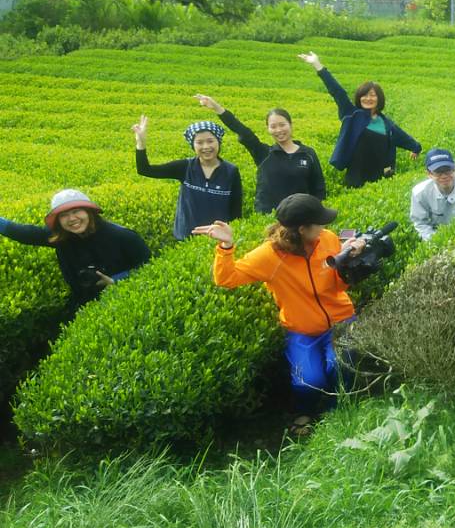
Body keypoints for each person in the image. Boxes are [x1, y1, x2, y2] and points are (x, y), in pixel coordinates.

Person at [194, 194, 369, 431]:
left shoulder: (327, 239)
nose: (324, 227)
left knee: (339, 366)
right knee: (309, 381)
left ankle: (337, 411)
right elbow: (226, 278)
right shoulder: (270, 256)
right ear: (302, 229)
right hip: (302, 330)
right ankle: (304, 410)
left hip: (341, 321)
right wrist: (226, 246)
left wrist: (351, 256)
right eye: (318, 223)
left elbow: (338, 283)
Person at [0, 189, 151, 311]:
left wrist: (117, 280)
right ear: (58, 221)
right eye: (64, 215)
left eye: (76, 211)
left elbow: (150, 268)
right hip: (82, 302)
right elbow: (20, 232)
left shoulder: (122, 236)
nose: (71, 219)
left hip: (123, 302)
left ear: (89, 212)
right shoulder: (61, 237)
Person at [300, 51, 421, 188]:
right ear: (359, 97)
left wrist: (416, 148)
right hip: (356, 177)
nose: (367, 98)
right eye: (364, 95)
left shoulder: (386, 123)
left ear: (379, 99)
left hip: (382, 178)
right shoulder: (352, 114)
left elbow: (403, 137)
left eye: (372, 95)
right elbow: (338, 92)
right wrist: (318, 65)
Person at [193, 94, 325, 212]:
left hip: (300, 216)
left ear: (290, 124)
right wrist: (217, 108)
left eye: (282, 125)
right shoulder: (264, 153)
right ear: (268, 129)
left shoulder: (308, 154)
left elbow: (318, 189)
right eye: (273, 126)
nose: (278, 130)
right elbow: (242, 130)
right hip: (268, 217)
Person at [133, 115, 245, 240]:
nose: (206, 147)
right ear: (193, 145)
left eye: (210, 141)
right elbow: (145, 170)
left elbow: (236, 211)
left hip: (217, 238)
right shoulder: (185, 167)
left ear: (218, 142)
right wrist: (141, 143)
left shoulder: (231, 171)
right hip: (185, 238)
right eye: (199, 142)